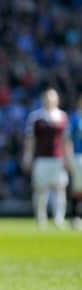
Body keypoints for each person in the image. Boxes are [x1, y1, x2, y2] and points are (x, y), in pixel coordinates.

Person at [23, 88, 71, 229]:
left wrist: (67, 158)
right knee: (40, 189)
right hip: (41, 158)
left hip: (58, 158)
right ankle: (41, 218)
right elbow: (30, 139)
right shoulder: (36, 117)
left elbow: (66, 140)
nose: (49, 101)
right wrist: (27, 156)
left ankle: (59, 218)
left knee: (60, 188)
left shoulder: (62, 116)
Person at [67, 96, 82, 229]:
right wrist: (69, 157)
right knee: (78, 188)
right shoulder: (75, 118)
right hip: (78, 156)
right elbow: (68, 139)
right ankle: (75, 216)